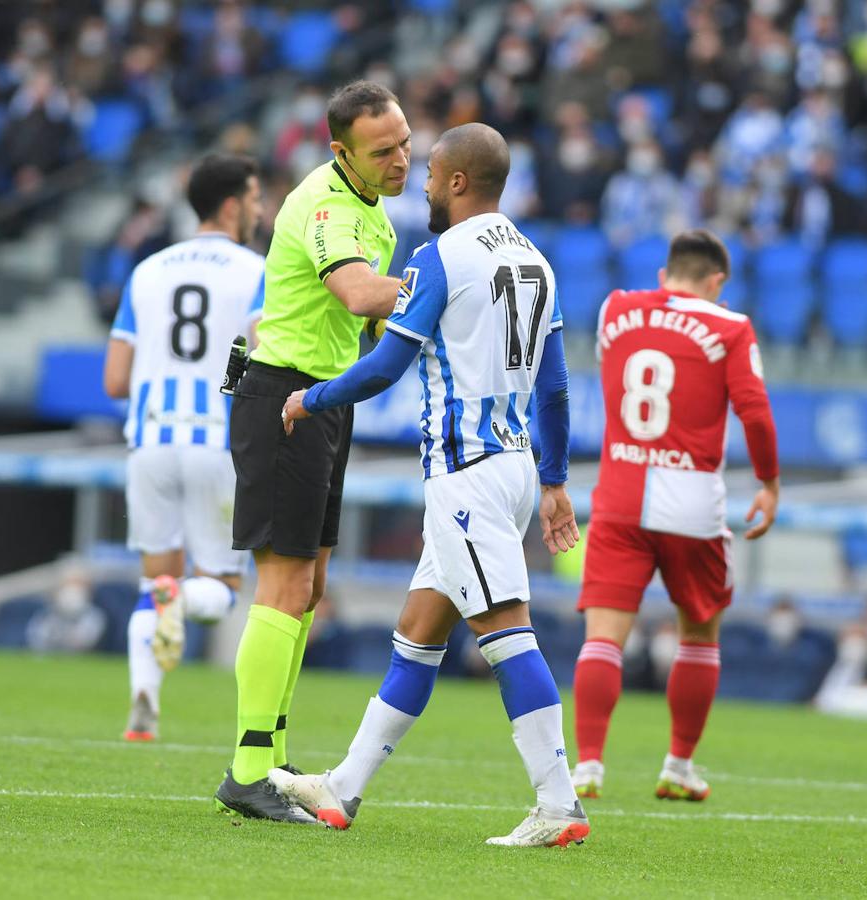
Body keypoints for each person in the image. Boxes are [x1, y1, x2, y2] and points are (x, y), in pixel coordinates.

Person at [269, 123, 589, 848]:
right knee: (417, 634)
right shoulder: (537, 261)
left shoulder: (439, 256)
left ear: (454, 182)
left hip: (464, 476)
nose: (421, 185)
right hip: (508, 465)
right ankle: (343, 789)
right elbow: (558, 388)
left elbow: (385, 366)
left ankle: (559, 803)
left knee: (505, 632)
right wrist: (555, 480)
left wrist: (310, 398)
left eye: (429, 175)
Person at [213, 80, 409, 824]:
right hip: (287, 403)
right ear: (341, 151)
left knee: (310, 586)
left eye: (404, 143)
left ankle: (272, 759)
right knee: (285, 586)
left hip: (322, 403)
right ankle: (250, 768)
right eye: (382, 150)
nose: (399, 159)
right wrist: (442, 288)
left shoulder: (369, 208)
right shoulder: (329, 206)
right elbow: (360, 295)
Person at [570, 229, 779, 803]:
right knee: (700, 632)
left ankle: (587, 765)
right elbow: (755, 412)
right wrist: (768, 482)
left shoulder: (616, 308)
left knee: (604, 639)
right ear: (717, 283)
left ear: (665, 276)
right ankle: (679, 764)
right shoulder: (730, 325)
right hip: (692, 500)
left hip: (618, 493)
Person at [103, 153, 265, 742]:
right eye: (253, 197)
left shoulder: (147, 271)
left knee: (155, 583)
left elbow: (115, 380)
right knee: (219, 591)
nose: (259, 208)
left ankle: (143, 699)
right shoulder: (256, 269)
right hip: (216, 443)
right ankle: (177, 599)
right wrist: (223, 384)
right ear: (230, 204)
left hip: (148, 444)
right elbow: (260, 350)